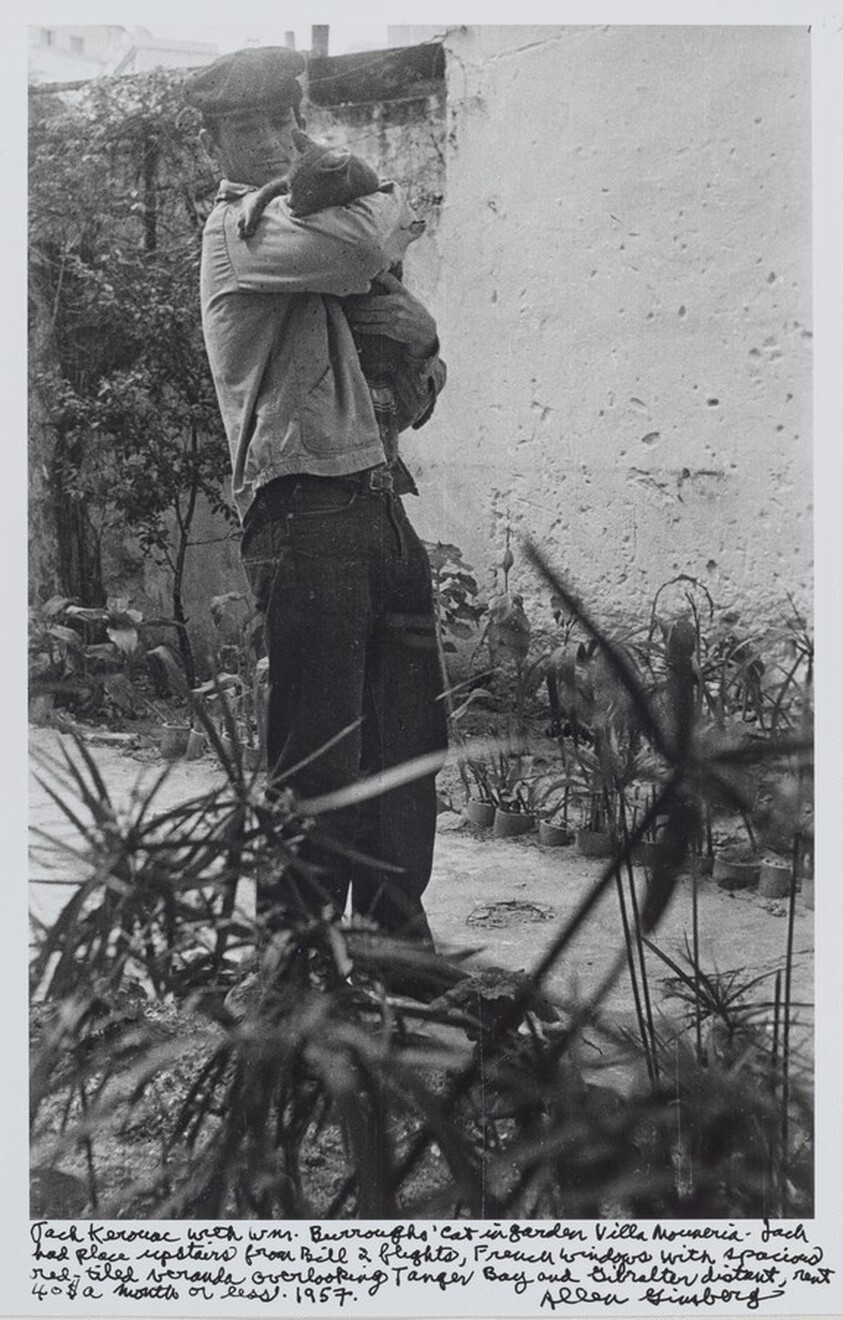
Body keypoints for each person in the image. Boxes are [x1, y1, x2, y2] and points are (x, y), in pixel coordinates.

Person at [183, 48, 449, 952]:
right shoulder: (241, 230)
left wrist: (423, 346)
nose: (267, 140)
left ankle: (394, 954)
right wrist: (387, 211)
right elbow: (377, 240)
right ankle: (294, 973)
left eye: (279, 119)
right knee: (318, 761)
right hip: (304, 512)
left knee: (406, 748)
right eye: (243, 126)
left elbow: (411, 376)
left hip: (379, 503)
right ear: (214, 143)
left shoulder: (314, 218)